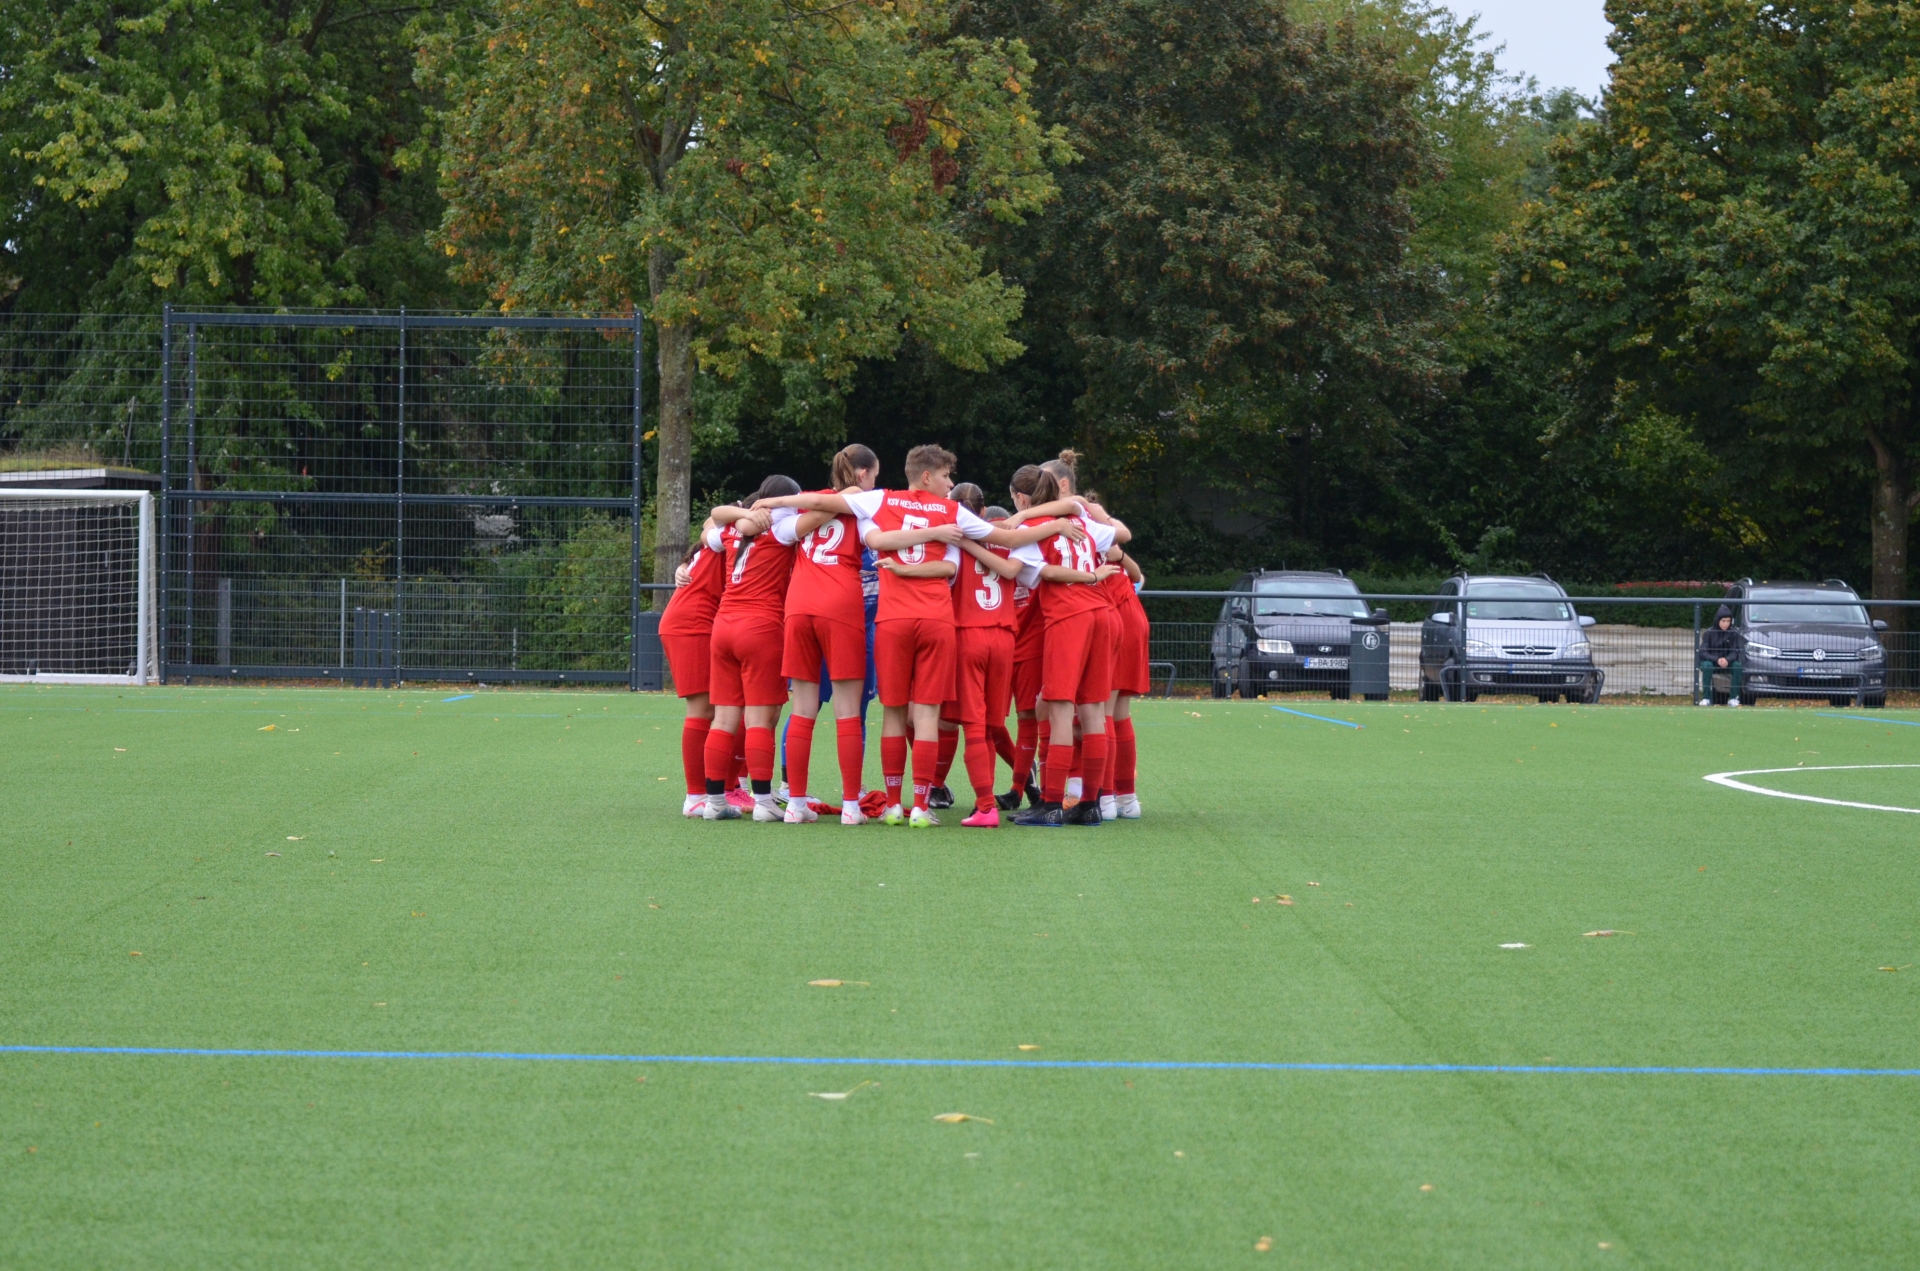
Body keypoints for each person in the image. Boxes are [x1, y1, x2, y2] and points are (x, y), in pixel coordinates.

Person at [755, 445, 1080, 827]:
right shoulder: (950, 511)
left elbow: (847, 522)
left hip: (881, 618)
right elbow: (1004, 540)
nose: (950, 483)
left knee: (878, 713)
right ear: (928, 476)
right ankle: (913, 805)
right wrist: (1056, 525)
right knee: (922, 715)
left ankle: (862, 804)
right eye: (945, 476)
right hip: (934, 619)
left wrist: (769, 501)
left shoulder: (880, 500)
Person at [1007, 469, 1128, 826]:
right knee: (1093, 710)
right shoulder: (1080, 519)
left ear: (1022, 498)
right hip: (1101, 613)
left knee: (1060, 709)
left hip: (1069, 617)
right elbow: (1119, 535)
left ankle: (1051, 804)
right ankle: (1090, 803)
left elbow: (1042, 571)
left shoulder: (1031, 528)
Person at [779, 444, 882, 824]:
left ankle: (795, 803)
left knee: (802, 709)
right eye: (874, 475)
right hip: (839, 603)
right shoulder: (864, 504)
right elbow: (876, 539)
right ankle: (851, 806)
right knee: (848, 711)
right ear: (862, 474)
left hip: (798, 604)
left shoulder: (806, 505)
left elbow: (782, 531)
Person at [701, 476, 804, 820]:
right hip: (760, 627)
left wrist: (742, 514)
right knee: (760, 719)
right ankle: (763, 802)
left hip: (723, 625)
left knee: (723, 719)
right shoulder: (783, 528)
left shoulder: (732, 530)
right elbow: (822, 512)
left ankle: (715, 802)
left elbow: (711, 523)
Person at [657, 532, 725, 817]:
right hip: (692, 623)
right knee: (703, 709)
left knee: (722, 707)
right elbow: (713, 520)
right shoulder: (734, 532)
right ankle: (696, 796)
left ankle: (722, 788)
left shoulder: (729, 535)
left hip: (697, 621)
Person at [1698, 604, 1744, 707]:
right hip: (1711, 662)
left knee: (1737, 666)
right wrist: (1717, 659)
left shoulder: (1733, 633)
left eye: (1728, 621)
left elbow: (1735, 651)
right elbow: (1703, 652)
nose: (1726, 624)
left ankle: (1733, 698)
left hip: (1727, 662)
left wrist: (1727, 660)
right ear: (1718, 620)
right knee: (1707, 665)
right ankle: (1706, 698)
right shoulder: (1709, 633)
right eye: (1723, 621)